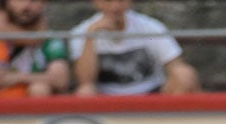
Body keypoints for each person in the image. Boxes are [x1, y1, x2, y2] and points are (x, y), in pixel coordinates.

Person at [69, 0, 200, 96]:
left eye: (120, 1)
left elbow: (176, 65)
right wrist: (90, 38)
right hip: (106, 100)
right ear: (96, 2)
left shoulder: (150, 27)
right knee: (85, 92)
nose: (115, 7)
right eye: (108, 1)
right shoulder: (81, 32)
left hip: (152, 95)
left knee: (184, 74)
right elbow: (85, 80)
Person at [0, 0, 69, 98]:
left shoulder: (48, 39)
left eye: (34, 1)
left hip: (26, 106)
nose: (26, 6)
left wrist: (14, 78)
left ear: (43, 4)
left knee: (39, 89)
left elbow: (60, 79)